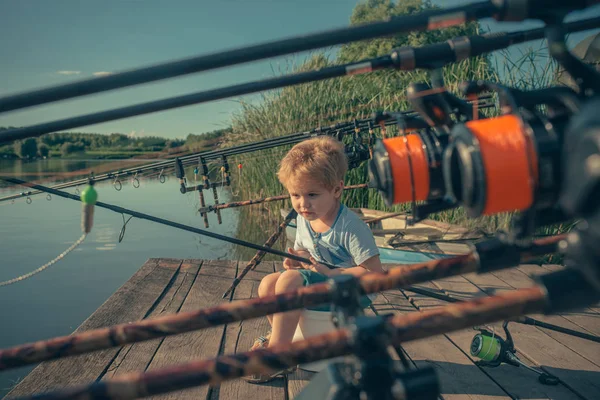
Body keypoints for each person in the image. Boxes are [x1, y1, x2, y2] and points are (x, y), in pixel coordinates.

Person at [243, 136, 385, 384]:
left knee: (287, 283)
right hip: (320, 284)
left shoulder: (351, 227)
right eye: (295, 194)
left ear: (337, 189)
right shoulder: (304, 218)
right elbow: (302, 253)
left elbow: (374, 275)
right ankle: (284, 337)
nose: (302, 203)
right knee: (267, 284)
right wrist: (296, 261)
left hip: (350, 291)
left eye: (311, 194)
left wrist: (333, 275)